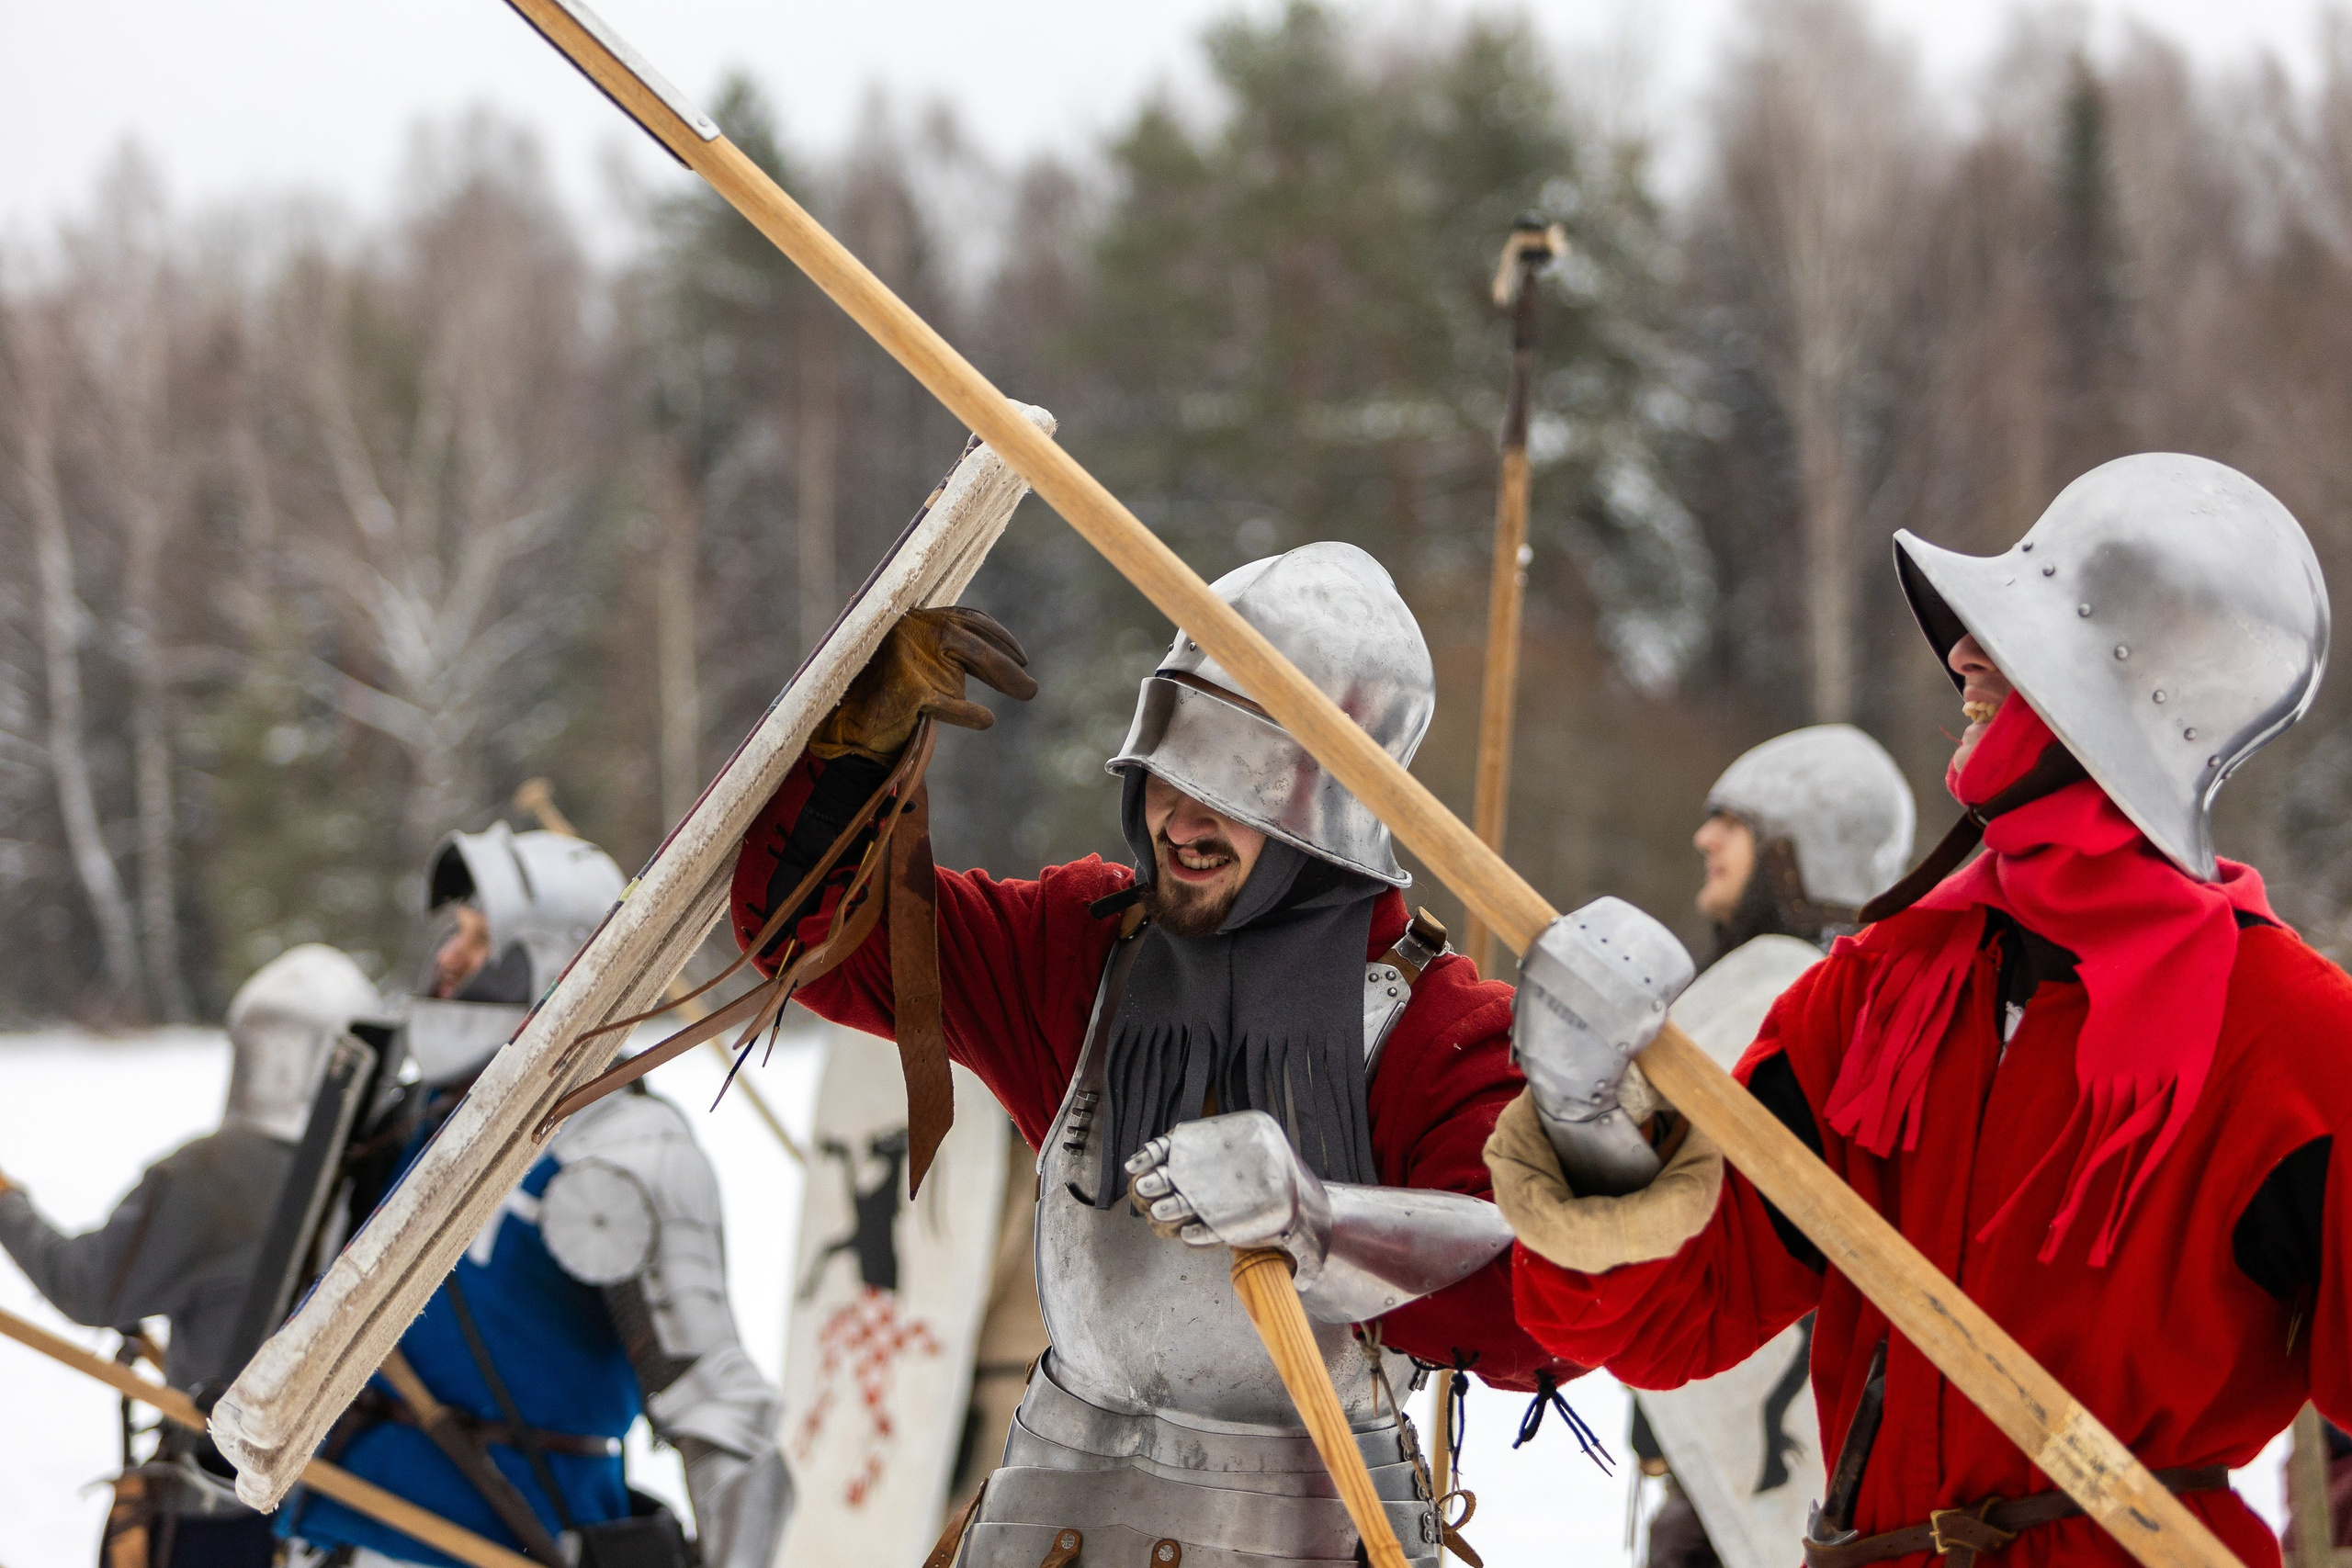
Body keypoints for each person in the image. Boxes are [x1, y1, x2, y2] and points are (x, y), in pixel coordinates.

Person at [1487, 452, 2347, 1568]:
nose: (1961, 657)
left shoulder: (2295, 1041)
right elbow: (1678, 1313)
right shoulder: (1883, 990)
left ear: (2136, 700)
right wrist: (1581, 1115)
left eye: (2018, 640)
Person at [729, 541, 1580, 1566]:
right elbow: (813, 935)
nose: (1182, 816)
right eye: (1172, 765)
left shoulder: (1440, 1030)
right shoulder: (1082, 949)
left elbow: (1542, 1298)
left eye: (1237, 779)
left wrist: (1318, 1224)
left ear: (1334, 799)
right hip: (1045, 1534)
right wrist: (852, 762)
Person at [279, 823, 790, 1568]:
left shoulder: (625, 1147)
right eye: (456, 931)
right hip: (333, 1532)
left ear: (562, 963)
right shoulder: (415, 1117)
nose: (449, 956)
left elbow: (722, 1409)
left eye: (481, 939)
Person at [0, 944, 380, 1568]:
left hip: (220, 1512)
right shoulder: (380, 1167)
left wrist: (5, 1203)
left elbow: (86, 1287)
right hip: (331, 1513)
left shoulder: (214, 1173)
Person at [1634, 726, 1916, 1568]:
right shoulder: (1818, 996)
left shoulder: (1799, 1001)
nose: (1705, 838)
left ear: (1794, 854)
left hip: (1802, 1434)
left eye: (1735, 821)